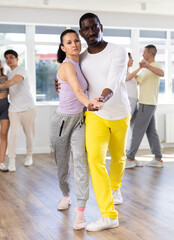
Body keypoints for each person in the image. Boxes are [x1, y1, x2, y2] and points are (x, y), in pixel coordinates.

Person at [56, 13, 131, 231]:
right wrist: (58, 82)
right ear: (81, 33)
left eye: (94, 28)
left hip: (119, 113)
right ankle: (108, 215)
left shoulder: (117, 50)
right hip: (95, 115)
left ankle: (115, 187)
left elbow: (115, 79)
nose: (90, 33)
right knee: (95, 161)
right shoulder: (83, 57)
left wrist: (103, 98)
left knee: (118, 157)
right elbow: (71, 76)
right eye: (85, 30)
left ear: (101, 27)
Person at [50, 29, 103, 230]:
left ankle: (80, 212)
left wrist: (88, 103)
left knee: (81, 160)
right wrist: (88, 102)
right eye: (69, 42)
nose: (75, 44)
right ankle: (65, 195)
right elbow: (78, 91)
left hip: (80, 120)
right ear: (63, 48)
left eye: (76, 41)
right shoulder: (66, 66)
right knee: (62, 165)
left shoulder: (82, 61)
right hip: (62, 121)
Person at [0, 50, 36, 172]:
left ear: (17, 59)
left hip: (28, 108)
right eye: (6, 58)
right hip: (13, 109)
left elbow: (14, 81)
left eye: (11, 57)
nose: (9, 60)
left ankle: (29, 156)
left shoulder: (21, 71)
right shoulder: (8, 75)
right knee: (13, 135)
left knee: (29, 134)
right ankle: (11, 161)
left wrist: (0, 86)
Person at [126, 45, 164, 169]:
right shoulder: (146, 69)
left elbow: (161, 73)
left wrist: (146, 66)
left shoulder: (156, 66)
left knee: (137, 130)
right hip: (147, 103)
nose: (142, 54)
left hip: (147, 103)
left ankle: (130, 158)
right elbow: (137, 81)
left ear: (150, 53)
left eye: (144, 52)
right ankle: (158, 158)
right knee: (151, 131)